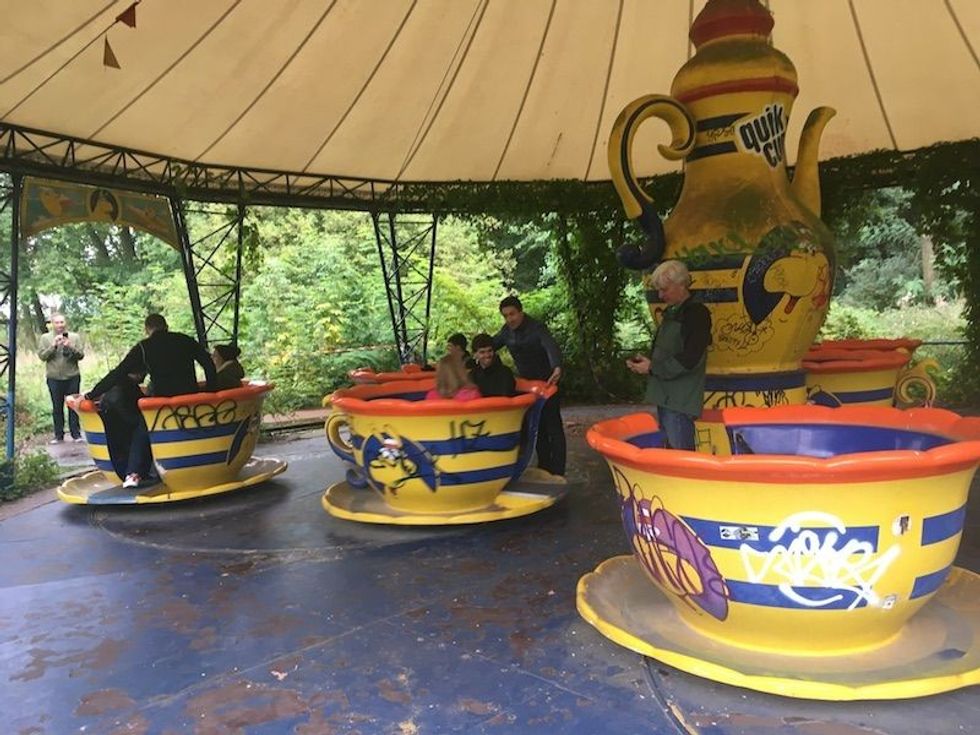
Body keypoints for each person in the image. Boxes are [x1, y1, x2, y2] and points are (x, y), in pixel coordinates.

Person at [85, 314, 217, 488]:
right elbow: (208, 363)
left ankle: (133, 473)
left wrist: (93, 393)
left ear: (147, 330)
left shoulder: (144, 347)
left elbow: (118, 372)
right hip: (189, 400)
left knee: (143, 428)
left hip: (162, 403)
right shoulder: (185, 340)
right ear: (166, 325)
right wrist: (211, 391)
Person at [626, 260, 712, 451]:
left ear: (681, 284)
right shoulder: (673, 312)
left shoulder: (697, 314)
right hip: (667, 397)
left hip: (680, 401)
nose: (660, 295)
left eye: (664, 289)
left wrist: (652, 367)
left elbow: (690, 358)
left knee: (680, 459)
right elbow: (671, 351)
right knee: (672, 454)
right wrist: (648, 362)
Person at [493, 296, 565, 476]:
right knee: (536, 426)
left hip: (548, 384)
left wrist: (557, 366)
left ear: (521, 312)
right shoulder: (506, 331)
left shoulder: (537, 328)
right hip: (527, 387)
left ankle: (558, 471)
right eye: (506, 316)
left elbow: (551, 347)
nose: (510, 319)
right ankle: (544, 467)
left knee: (553, 426)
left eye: (512, 314)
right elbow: (490, 346)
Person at [37, 313, 84, 443]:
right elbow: (42, 356)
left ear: (65, 323)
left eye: (62, 322)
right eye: (57, 323)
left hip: (72, 376)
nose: (60, 325)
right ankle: (58, 435)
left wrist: (70, 346)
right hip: (54, 377)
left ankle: (76, 434)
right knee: (57, 407)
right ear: (52, 324)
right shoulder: (45, 338)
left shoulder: (75, 337)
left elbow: (81, 355)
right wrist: (53, 346)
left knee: (73, 406)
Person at [469, 333, 516, 397]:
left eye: (489, 351)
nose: (487, 355)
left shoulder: (505, 372)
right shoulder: (472, 376)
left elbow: (506, 397)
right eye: (482, 352)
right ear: (475, 354)